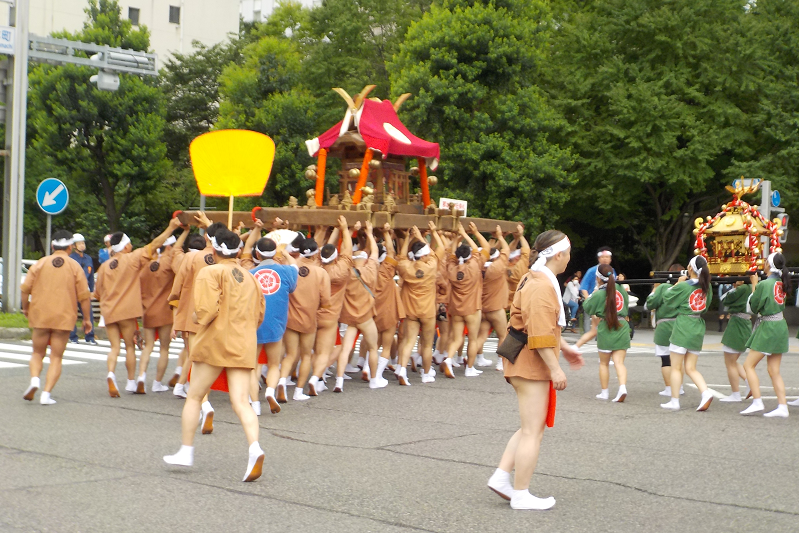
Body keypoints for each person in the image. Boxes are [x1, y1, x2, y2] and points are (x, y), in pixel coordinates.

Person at [488, 230, 583, 510]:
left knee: (529, 427)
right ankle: (520, 493)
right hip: (530, 362)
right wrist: (556, 369)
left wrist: (563, 348)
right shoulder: (542, 284)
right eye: (568, 252)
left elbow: (541, 324)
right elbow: (540, 331)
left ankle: (502, 478)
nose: (569, 258)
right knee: (532, 432)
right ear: (558, 255)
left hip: (521, 359)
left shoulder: (535, 276)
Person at [163, 229, 266, 481]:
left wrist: (196, 316)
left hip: (214, 342)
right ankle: (255, 447)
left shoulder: (209, 272)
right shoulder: (250, 276)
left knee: (194, 396)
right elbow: (259, 313)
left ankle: (186, 451)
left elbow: (206, 311)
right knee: (241, 402)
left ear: (215, 249)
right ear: (239, 251)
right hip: (243, 342)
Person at [94, 217, 183, 397]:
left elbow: (97, 293)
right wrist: (171, 228)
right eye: (130, 244)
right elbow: (154, 244)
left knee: (114, 348)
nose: (132, 247)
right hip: (127, 311)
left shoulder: (103, 267)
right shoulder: (132, 259)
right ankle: (130, 382)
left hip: (108, 311)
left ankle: (111, 374)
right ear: (126, 247)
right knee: (129, 347)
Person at [21, 231, 93, 405]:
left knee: (37, 353)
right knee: (56, 357)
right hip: (63, 316)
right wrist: (87, 319)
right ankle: (46, 394)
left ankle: (34, 380)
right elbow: (84, 296)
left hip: (40, 314)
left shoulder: (40, 263)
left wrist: (26, 308)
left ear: (52, 247)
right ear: (70, 247)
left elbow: (25, 289)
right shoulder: (75, 266)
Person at [331, 221, 384, 390]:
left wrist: (347, 231)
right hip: (365, 317)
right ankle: (374, 379)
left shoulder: (346, 272)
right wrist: (369, 232)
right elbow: (375, 251)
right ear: (365, 259)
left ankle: (339, 380)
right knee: (373, 347)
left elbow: (345, 253)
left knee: (345, 349)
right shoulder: (370, 269)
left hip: (349, 317)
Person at [249, 236, 298, 414]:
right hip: (277, 324)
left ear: (257, 253)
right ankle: (270, 391)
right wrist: (285, 253)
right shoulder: (286, 272)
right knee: (273, 364)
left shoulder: (250, 274)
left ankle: (255, 405)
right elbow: (295, 267)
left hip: (254, 323)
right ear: (274, 252)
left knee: (253, 366)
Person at [660, 255, 714, 412]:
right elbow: (707, 305)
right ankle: (705, 392)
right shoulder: (707, 287)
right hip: (697, 326)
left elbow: (667, 298)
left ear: (690, 269)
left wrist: (678, 282)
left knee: (676, 367)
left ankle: (674, 401)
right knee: (691, 367)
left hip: (683, 325)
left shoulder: (684, 286)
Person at [741, 253, 792, 417]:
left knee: (748, 366)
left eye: (764, 261)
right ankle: (782, 406)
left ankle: (757, 402)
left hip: (768, 326)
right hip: (780, 325)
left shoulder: (765, 284)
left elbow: (753, 306)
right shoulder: (781, 282)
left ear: (769, 265)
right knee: (774, 370)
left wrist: (754, 285)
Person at [279, 238, 331, 400]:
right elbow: (326, 301)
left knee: (290, 354)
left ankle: (281, 382)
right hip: (308, 318)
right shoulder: (321, 272)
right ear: (316, 255)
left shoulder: (289, 267)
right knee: (306, 355)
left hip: (290, 317)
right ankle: (298, 392)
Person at [138, 228, 189, 393]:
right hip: (164, 310)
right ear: (169, 247)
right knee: (164, 348)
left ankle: (140, 377)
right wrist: (185, 232)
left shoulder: (147, 264)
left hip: (148, 309)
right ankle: (157, 383)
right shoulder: (169, 263)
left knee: (148, 346)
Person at [396, 223, 446, 385]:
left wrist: (408, 239)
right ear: (424, 255)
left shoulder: (406, 267)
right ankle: (425, 374)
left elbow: (401, 257)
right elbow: (441, 249)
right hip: (428, 311)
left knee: (409, 341)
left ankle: (402, 369)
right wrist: (424, 234)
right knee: (426, 344)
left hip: (411, 310)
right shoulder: (431, 265)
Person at [578, 264, 630, 402]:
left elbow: (588, 307)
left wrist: (593, 293)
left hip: (606, 326)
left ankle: (605, 392)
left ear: (598, 278)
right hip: (622, 325)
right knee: (619, 362)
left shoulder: (599, 293)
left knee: (603, 363)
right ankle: (622, 387)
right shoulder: (621, 289)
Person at [442, 222, 488, 378]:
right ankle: (469, 368)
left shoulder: (451, 268)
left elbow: (449, 254)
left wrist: (457, 237)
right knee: (473, 339)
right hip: (472, 307)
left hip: (456, 308)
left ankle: (448, 359)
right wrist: (470, 233)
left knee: (456, 338)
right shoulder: (475, 264)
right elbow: (482, 248)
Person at [473, 225, 511, 368]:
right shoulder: (497, 268)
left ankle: (474, 359)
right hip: (496, 308)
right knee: (503, 335)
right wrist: (501, 236)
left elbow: (488, 250)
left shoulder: (478, 266)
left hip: (482, 308)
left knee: (481, 336)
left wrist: (499, 238)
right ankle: (501, 363)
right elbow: (506, 251)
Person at [644, 264, 685, 397]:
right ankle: (680, 387)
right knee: (678, 360)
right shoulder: (687, 287)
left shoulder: (663, 287)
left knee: (666, 360)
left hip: (665, 326)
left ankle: (669, 388)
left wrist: (655, 289)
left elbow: (649, 304)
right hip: (681, 325)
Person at [717, 280, 752, 403]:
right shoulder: (751, 287)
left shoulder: (742, 288)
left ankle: (736, 394)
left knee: (730, 363)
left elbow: (725, 299)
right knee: (733, 361)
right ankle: (749, 383)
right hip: (745, 323)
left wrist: (735, 287)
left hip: (737, 324)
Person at [502, 227, 530, 372]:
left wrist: (515, 239)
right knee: (512, 333)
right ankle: (502, 361)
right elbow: (526, 250)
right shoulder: (521, 267)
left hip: (503, 301)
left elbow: (506, 251)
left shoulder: (503, 265)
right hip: (518, 302)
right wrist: (521, 236)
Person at [68, 233, 97, 345]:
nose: (82, 245)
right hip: (73, 290)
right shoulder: (70, 259)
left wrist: (92, 290)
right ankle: (72, 336)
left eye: (83, 243)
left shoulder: (88, 258)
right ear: (74, 246)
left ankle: (90, 336)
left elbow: (91, 275)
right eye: (79, 243)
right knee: (72, 313)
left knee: (88, 313)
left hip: (85, 290)